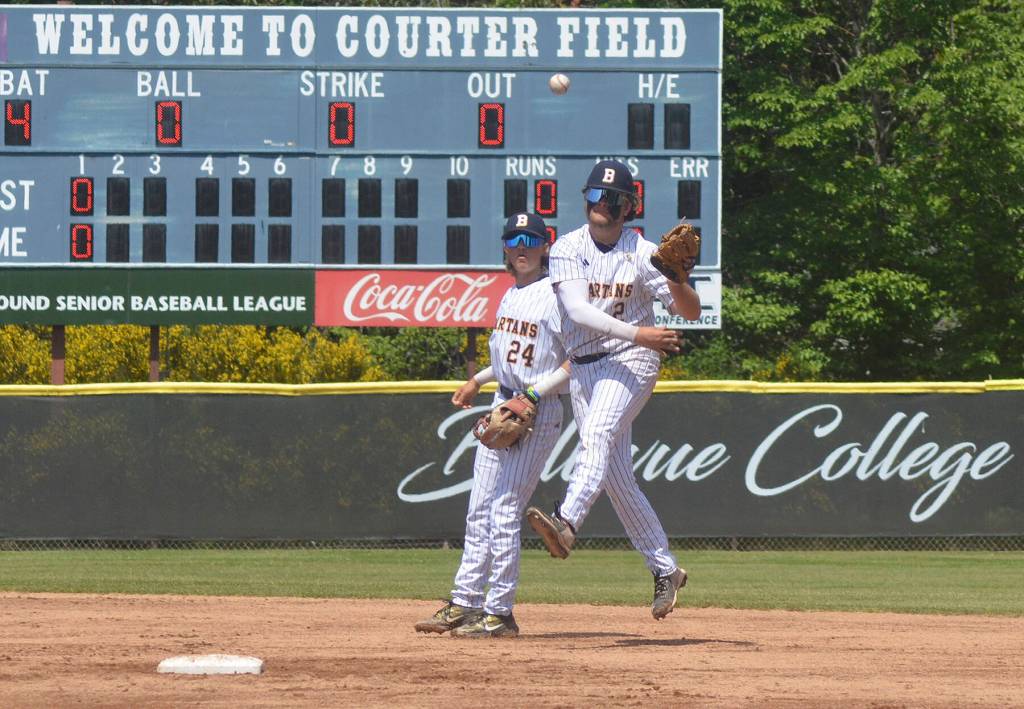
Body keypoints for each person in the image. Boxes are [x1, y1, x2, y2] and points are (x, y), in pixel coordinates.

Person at [525, 160, 701, 621]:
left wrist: (679, 279)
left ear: (628, 207)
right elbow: (579, 313)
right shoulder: (566, 248)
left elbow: (691, 312)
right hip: (585, 368)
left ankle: (567, 522)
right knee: (619, 479)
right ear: (586, 201)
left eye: (613, 199)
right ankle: (665, 570)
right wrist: (640, 332)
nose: (602, 205)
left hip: (633, 362)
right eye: (595, 197)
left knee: (598, 434)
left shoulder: (642, 252)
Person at [415, 212, 569, 639]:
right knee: (479, 509)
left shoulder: (556, 296)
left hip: (537, 411)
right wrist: (477, 380)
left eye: (531, 239)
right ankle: (465, 603)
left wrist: (533, 395)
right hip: (504, 404)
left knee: (503, 512)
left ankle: (500, 612)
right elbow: (507, 362)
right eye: (514, 238)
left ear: (545, 247)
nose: (522, 246)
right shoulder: (509, 295)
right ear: (505, 247)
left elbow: (574, 363)